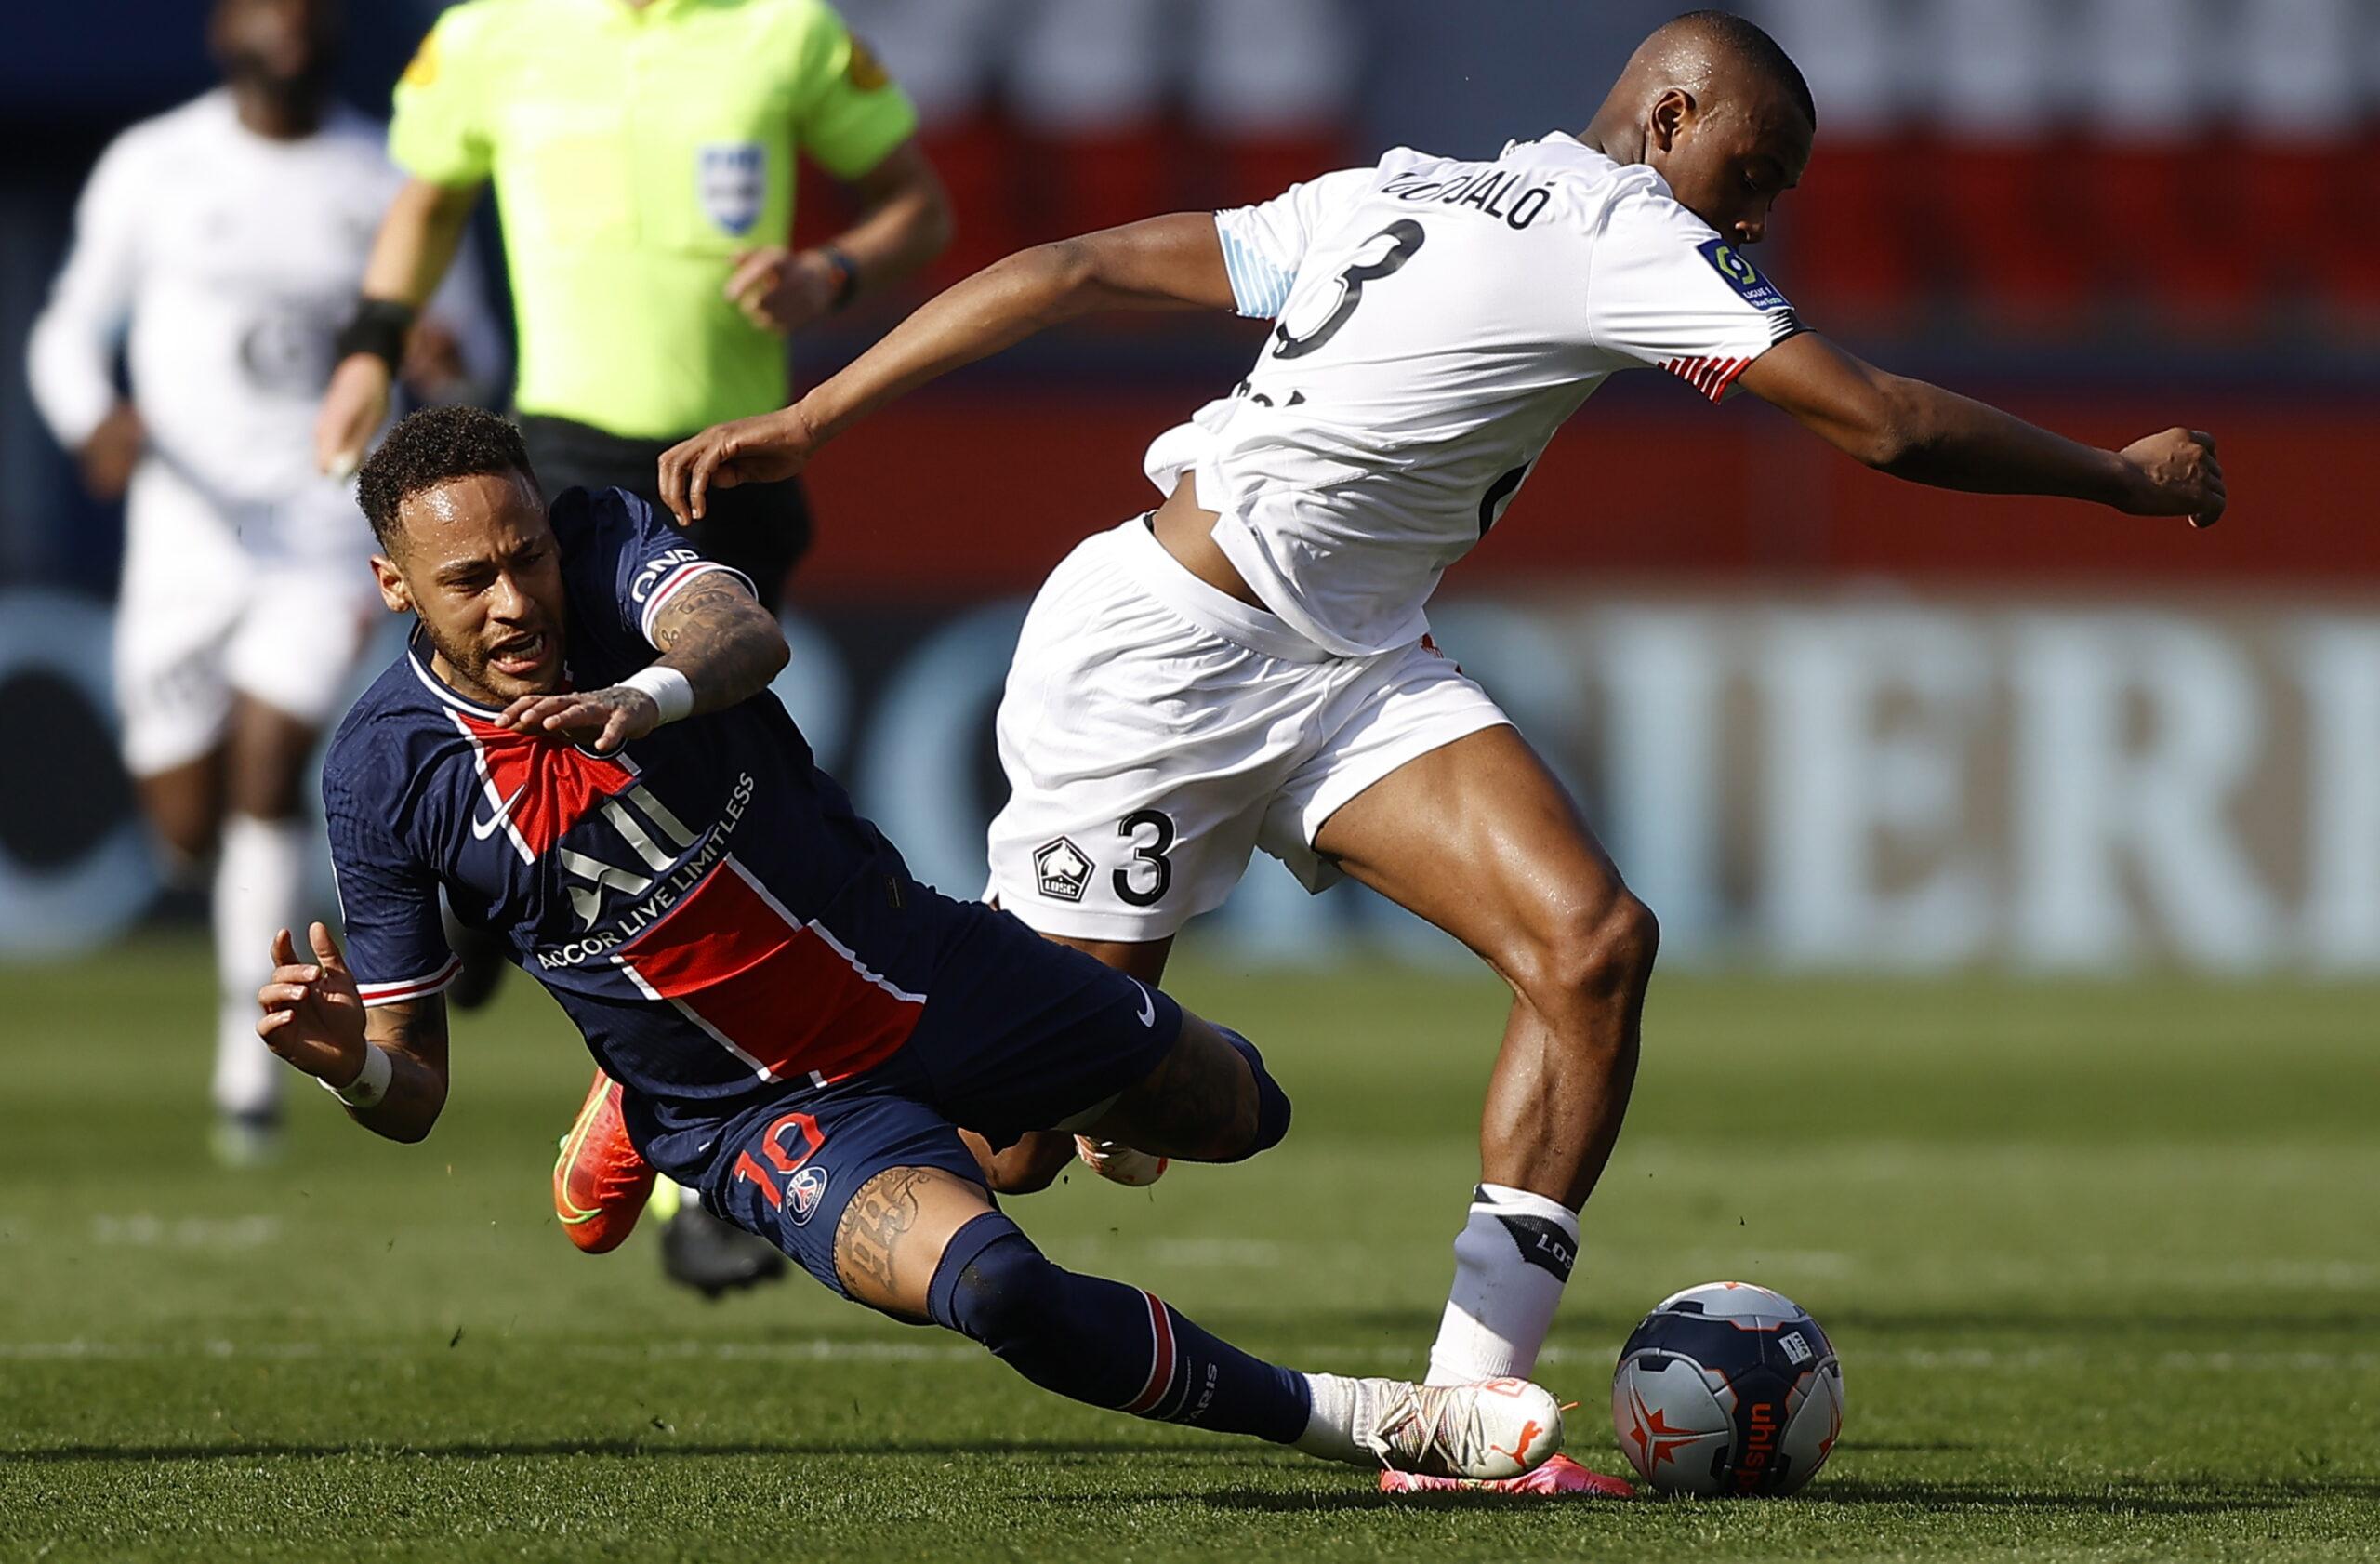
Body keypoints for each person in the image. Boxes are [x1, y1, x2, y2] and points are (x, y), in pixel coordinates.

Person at [648, 9, 2228, 1496]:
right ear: (1670, 118)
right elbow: (1876, 420)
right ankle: (730, 1061)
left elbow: (1067, 268)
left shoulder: (1403, 190)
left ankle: (1467, 1418)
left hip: (1347, 668)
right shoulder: (1627, 234)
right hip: (1156, 665)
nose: (1749, 225)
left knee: (1592, 943)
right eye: (1749, 177)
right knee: (1011, 1139)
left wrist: (816, 417)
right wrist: (2119, 479)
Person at [251, 404, 1567, 1487]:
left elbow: (741, 634)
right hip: (751, 1107)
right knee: (999, 1289)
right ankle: (1379, 1420)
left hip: (918, 960)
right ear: (394, 586)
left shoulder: (600, 545)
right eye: (468, 579)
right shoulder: (383, 774)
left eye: (522, 554)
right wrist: (347, 1066)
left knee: (1244, 1112)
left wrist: (641, 694)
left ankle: (1033, 1104)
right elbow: (408, 1084)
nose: (515, 599)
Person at [311, 0, 956, 1293]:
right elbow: (427, 198)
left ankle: (675, 1142)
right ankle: (500, 938)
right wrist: (369, 350)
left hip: (733, 460)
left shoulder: (786, 33)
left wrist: (828, 273)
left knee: (714, 796)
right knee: (565, 823)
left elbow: (918, 211)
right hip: (573, 458)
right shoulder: (494, 35)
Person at [23, 0, 497, 1167]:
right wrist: (93, 416)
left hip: (324, 520)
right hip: (184, 531)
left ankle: (251, 1068)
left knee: (269, 758)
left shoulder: (384, 168)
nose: (287, 22)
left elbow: (472, 340)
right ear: (222, 28)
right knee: (187, 823)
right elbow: (68, 329)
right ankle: (350, 901)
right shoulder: (158, 163)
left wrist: (444, 358)